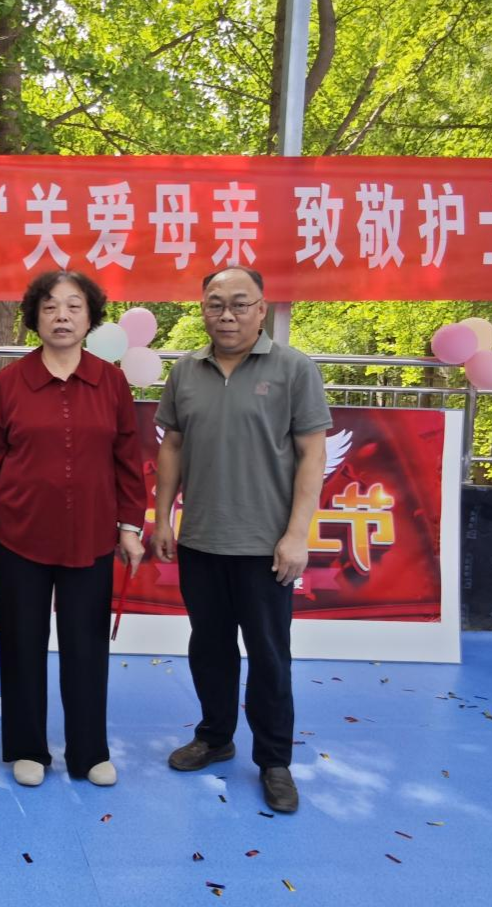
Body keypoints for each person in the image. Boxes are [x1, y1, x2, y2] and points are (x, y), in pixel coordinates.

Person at [152, 265, 330, 814]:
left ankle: (274, 761)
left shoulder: (294, 368)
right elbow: (172, 446)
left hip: (266, 546)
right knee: (209, 648)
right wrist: (162, 518)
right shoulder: (185, 371)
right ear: (203, 309)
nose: (226, 315)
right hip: (201, 539)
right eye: (215, 303)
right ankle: (215, 736)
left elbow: (312, 454)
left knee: (270, 657)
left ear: (261, 309)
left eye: (239, 303)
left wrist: (297, 534)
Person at [0, 270, 147, 788]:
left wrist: (130, 527)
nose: (61, 316)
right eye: (49, 307)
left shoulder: (111, 382)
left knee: (86, 646)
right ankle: (28, 748)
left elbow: (128, 460)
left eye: (73, 306)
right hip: (20, 533)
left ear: (90, 318)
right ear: (35, 318)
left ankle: (89, 752)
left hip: (92, 535)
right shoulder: (10, 382)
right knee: (22, 643)